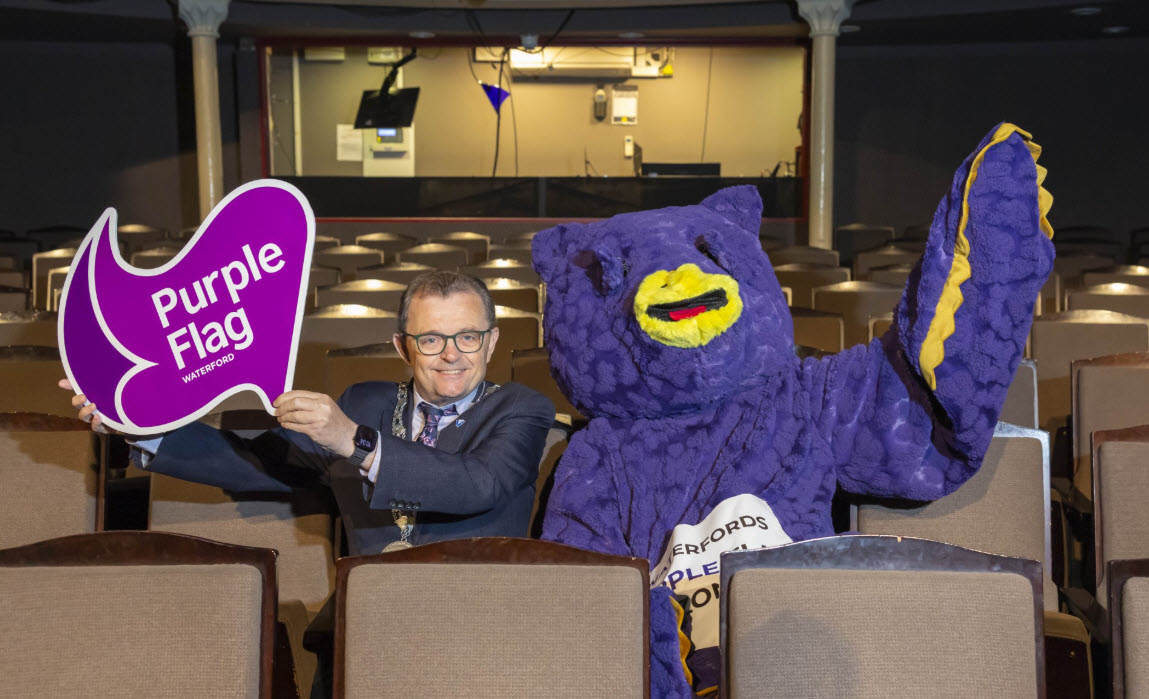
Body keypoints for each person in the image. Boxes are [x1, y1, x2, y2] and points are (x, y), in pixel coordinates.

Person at [62, 270, 555, 553]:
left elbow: (479, 484)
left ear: (491, 342)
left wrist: (355, 443)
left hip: (479, 619)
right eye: (430, 339)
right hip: (371, 619)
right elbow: (259, 464)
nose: (451, 355)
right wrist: (138, 422)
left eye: (467, 337)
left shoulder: (522, 408)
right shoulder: (364, 402)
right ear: (403, 347)